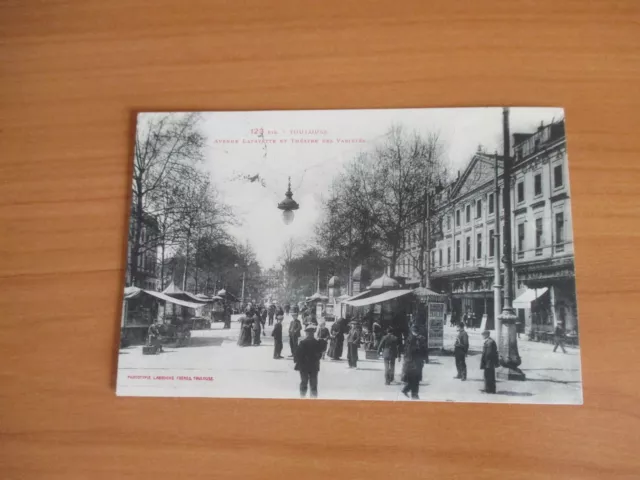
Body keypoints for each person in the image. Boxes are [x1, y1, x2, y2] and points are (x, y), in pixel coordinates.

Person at [294, 324, 323, 398]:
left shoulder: (302, 343)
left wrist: (299, 362)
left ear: (307, 333)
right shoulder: (317, 343)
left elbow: (297, 355)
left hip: (304, 367)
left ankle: (302, 397)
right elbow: (320, 354)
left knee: (304, 382)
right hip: (314, 367)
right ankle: (313, 399)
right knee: (313, 384)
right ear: (313, 333)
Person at [401, 324, 427, 399]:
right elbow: (409, 351)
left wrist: (424, 357)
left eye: (416, 332)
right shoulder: (410, 339)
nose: (416, 333)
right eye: (415, 332)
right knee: (414, 379)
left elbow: (424, 349)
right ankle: (411, 393)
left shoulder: (419, 339)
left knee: (416, 379)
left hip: (416, 362)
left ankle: (414, 394)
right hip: (412, 363)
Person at [480, 329, 499, 394]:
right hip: (488, 361)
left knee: (488, 375)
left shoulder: (490, 342)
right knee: (488, 375)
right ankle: (488, 389)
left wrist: (485, 361)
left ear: (486, 335)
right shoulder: (489, 341)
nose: (482, 336)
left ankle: (489, 389)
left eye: (483, 335)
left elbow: (489, 353)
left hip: (489, 361)